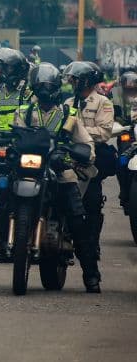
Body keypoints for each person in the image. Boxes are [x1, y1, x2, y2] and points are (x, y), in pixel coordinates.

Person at [13, 63, 101, 293]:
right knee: (5, 199)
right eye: (40, 86)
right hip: (30, 171)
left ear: (56, 87)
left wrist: (81, 154)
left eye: (48, 86)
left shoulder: (68, 114)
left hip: (61, 172)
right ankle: (7, 244)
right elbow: (15, 138)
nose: (44, 90)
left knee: (78, 221)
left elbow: (86, 142)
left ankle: (91, 275)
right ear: (34, 88)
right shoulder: (24, 112)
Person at [64, 61, 115, 258]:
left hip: (91, 158)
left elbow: (104, 133)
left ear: (86, 80)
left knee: (92, 203)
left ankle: (92, 245)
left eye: (75, 79)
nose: (72, 82)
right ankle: (65, 242)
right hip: (69, 158)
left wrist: (79, 131)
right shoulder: (69, 103)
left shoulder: (103, 102)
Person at [0, 48, 32, 263]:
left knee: (30, 197)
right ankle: (3, 247)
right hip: (3, 153)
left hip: (25, 150)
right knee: (2, 202)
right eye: (0, 67)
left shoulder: (30, 92)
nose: (2, 72)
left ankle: (30, 244)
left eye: (7, 68)